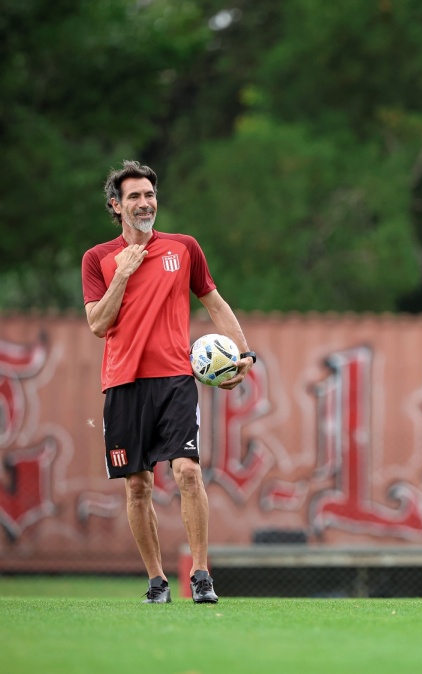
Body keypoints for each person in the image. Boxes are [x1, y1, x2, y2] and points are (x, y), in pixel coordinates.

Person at [81, 160, 257, 604]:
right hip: (122, 383)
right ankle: (157, 581)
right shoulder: (97, 259)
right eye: (134, 197)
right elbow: (98, 324)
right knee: (138, 485)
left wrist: (245, 353)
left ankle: (200, 575)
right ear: (116, 205)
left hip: (175, 379)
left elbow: (214, 303)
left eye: (149, 195)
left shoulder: (184, 248)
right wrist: (124, 272)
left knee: (188, 471)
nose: (145, 203)